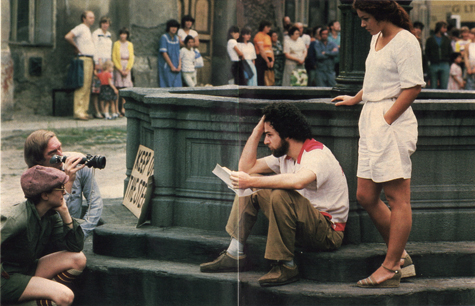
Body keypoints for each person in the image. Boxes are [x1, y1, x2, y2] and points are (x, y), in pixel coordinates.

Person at [200, 102, 349, 287]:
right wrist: (257, 130)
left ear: (286, 134)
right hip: (303, 225)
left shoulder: (316, 154)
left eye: (269, 135)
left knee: (278, 193)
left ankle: (286, 266)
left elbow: (298, 182)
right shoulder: (285, 156)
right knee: (252, 180)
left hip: (328, 232)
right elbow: (246, 168)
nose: (266, 141)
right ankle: (234, 253)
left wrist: (251, 181)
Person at [332, 0, 425, 288]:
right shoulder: (376, 38)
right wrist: (356, 98)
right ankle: (401, 259)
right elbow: (376, 79)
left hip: (391, 125)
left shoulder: (406, 41)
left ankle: (390, 267)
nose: (362, 24)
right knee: (365, 195)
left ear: (382, 15)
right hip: (372, 121)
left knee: (398, 199)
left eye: (365, 18)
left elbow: (412, 87)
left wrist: (386, 121)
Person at [1, 165, 86, 306]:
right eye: (61, 189)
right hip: (7, 278)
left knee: (78, 259)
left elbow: (75, 246)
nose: (65, 192)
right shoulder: (16, 219)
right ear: (45, 195)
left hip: (26, 269)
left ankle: (29, 297)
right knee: (65, 296)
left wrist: (65, 212)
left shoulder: (50, 215)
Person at [24, 130, 104, 238]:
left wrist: (80, 234)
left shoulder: (76, 162)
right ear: (39, 160)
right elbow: (52, 219)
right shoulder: (33, 179)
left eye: (60, 148)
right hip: (49, 236)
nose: (60, 155)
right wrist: (68, 182)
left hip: (74, 233)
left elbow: (95, 203)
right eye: (53, 153)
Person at [64, 11, 96, 121]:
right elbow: (68, 36)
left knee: (87, 86)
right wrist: (76, 47)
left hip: (89, 59)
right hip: (83, 59)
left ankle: (84, 111)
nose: (93, 19)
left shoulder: (87, 29)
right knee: (82, 85)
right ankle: (78, 112)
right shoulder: (81, 27)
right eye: (90, 17)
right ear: (84, 18)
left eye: (93, 17)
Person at [91, 16, 113, 119]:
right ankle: (97, 110)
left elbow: (109, 50)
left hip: (106, 62)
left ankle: (105, 110)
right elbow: (94, 48)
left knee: (105, 87)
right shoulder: (96, 33)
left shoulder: (109, 35)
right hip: (99, 61)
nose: (105, 25)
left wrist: (109, 63)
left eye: (107, 23)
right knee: (97, 88)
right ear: (100, 24)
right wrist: (96, 62)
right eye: (104, 23)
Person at [112, 27, 134, 117]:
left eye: (125, 34)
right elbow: (114, 57)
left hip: (127, 66)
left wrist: (128, 69)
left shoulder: (130, 44)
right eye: (121, 34)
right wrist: (120, 69)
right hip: (119, 67)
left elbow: (132, 57)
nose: (123, 36)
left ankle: (123, 108)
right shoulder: (116, 44)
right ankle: (116, 109)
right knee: (118, 88)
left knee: (125, 88)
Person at [425, 21, 452, 89]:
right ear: (439, 28)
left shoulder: (447, 39)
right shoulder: (430, 39)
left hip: (444, 63)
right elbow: (427, 52)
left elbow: (450, 51)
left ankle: (443, 99)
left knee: (444, 85)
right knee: (433, 85)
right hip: (433, 64)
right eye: (444, 28)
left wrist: (448, 61)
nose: (445, 30)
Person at [158, 19, 182, 88]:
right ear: (168, 27)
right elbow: (164, 53)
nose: (174, 28)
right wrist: (171, 66)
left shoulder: (177, 38)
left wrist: (179, 65)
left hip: (177, 67)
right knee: (167, 87)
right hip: (167, 67)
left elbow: (178, 53)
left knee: (178, 87)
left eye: (175, 27)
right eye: (172, 27)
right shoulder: (164, 37)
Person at [253, 20, 274, 86]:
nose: (269, 29)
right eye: (268, 27)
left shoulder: (268, 37)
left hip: (269, 58)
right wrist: (267, 60)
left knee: (270, 76)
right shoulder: (259, 35)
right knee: (261, 76)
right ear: (264, 27)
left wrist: (272, 60)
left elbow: (271, 49)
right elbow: (261, 49)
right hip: (262, 58)